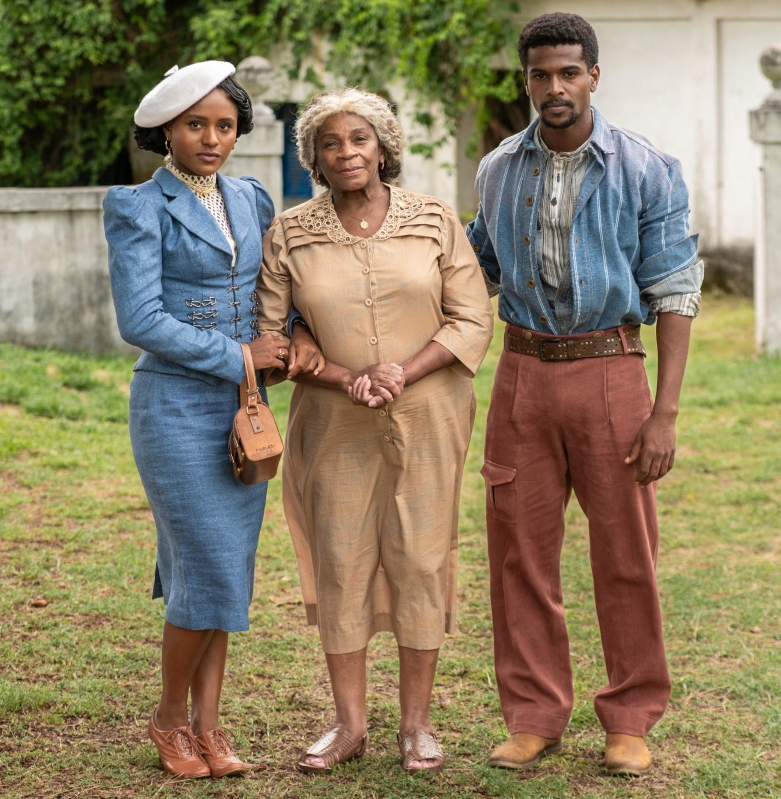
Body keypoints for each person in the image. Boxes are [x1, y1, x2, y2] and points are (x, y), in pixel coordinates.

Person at [466, 13, 703, 777]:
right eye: (541, 75)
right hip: (523, 371)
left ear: (593, 75)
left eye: (569, 72)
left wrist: (663, 410)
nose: (555, 88)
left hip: (612, 369)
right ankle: (533, 714)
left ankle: (631, 717)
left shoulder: (646, 167)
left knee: (626, 553)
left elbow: (674, 288)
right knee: (519, 553)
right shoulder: (499, 168)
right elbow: (477, 272)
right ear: (526, 80)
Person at [257, 88, 493, 774]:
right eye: (330, 144)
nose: (346, 152)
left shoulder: (433, 220)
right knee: (341, 560)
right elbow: (273, 336)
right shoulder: (290, 232)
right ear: (314, 160)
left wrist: (400, 371)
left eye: (358, 139)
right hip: (333, 421)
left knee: (422, 556)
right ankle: (350, 722)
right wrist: (336, 374)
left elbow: (471, 316)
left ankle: (417, 724)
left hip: (429, 411)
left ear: (383, 147)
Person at [102, 61, 322, 779]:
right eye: (196, 124)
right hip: (173, 407)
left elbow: (272, 290)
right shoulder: (135, 205)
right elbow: (140, 320)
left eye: (224, 125)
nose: (211, 138)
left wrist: (291, 338)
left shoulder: (252, 197)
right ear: (166, 128)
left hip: (245, 408)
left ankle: (210, 725)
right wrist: (239, 354)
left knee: (226, 571)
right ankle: (169, 718)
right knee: (204, 565)